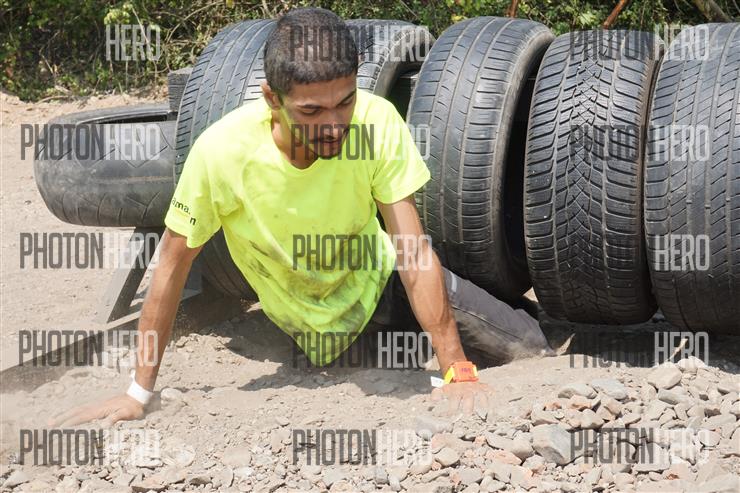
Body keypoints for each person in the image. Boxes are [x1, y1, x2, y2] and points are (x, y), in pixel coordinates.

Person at [50, 7, 551, 428]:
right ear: (272, 99)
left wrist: (457, 369)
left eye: (345, 102)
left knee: (531, 347)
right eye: (312, 111)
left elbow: (413, 254)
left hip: (381, 282)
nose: (333, 125)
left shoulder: (375, 122)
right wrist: (138, 393)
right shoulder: (221, 152)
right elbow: (170, 268)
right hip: (320, 333)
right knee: (382, 359)